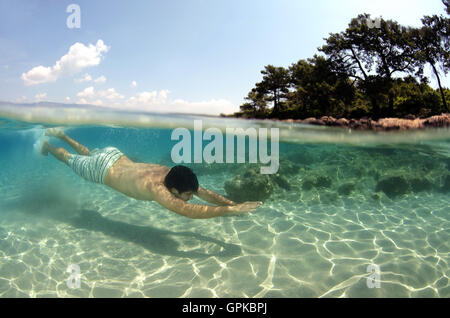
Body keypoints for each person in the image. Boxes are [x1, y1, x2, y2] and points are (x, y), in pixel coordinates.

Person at [40, 128, 262, 219]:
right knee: (69, 159)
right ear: (174, 190)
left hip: (113, 155)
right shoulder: (157, 189)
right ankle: (49, 146)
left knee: (89, 153)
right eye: (187, 195)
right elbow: (189, 211)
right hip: (101, 169)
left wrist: (234, 204)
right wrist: (229, 211)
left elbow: (203, 193)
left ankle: (64, 136)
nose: (191, 197)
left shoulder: (172, 174)